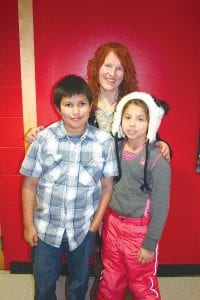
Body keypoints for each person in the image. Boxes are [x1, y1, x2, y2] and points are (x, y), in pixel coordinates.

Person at [26, 42, 171, 299]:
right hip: (83, 197)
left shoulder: (131, 104)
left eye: (119, 68)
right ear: (97, 68)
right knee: (102, 262)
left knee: (109, 263)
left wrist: (164, 144)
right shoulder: (86, 98)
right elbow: (69, 122)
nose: (112, 73)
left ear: (125, 73)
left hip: (116, 197)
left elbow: (149, 140)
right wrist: (38, 132)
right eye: (108, 65)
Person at [20, 74, 118, 300]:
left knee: (79, 283)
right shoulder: (44, 139)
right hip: (46, 229)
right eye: (68, 105)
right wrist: (28, 225)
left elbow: (107, 187)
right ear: (58, 108)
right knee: (44, 285)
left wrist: (95, 224)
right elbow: (29, 185)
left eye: (82, 104)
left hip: (83, 229)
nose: (76, 111)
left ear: (90, 105)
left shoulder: (104, 142)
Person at [96, 91, 171, 300]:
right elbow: (105, 186)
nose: (132, 124)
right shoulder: (115, 148)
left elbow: (161, 206)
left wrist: (150, 244)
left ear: (151, 123)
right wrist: (103, 219)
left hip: (138, 232)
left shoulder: (158, 159)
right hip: (112, 226)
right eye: (127, 117)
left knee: (141, 284)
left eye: (140, 119)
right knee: (110, 279)